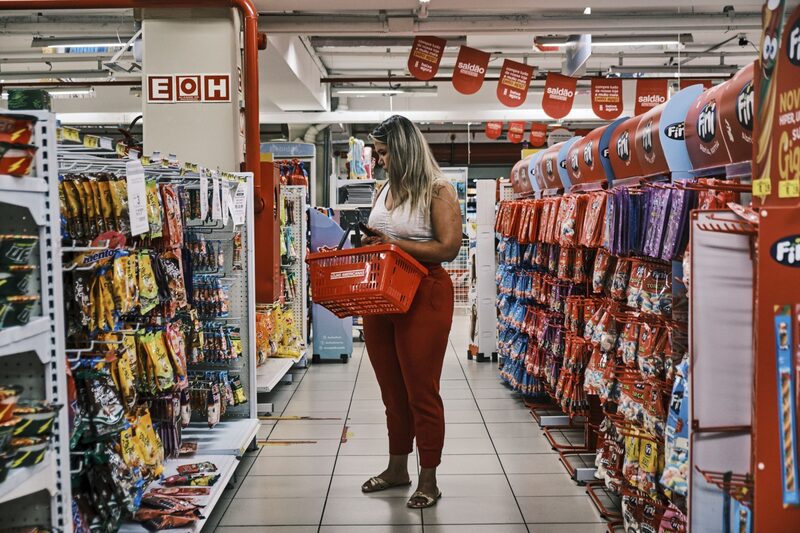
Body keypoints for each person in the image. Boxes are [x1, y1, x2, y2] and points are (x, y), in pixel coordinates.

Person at [359, 115, 463, 509]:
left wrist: (395, 244)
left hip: (424, 294)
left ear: (402, 151)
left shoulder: (438, 190)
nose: (380, 161)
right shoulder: (385, 188)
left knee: (421, 391)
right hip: (381, 295)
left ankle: (429, 478)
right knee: (391, 391)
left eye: (384, 153)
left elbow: (448, 248)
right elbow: (384, 239)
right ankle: (397, 468)